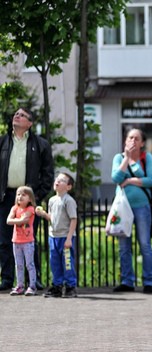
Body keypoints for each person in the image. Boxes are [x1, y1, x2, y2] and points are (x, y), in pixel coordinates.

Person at [0, 107, 54, 291]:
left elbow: (48, 174)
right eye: (15, 113)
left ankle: (34, 280)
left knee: (30, 239)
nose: (17, 115)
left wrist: (36, 197)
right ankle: (7, 279)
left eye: (22, 115)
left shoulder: (40, 145)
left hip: (29, 200)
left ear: (29, 123)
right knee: (5, 240)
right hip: (6, 197)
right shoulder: (3, 142)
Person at [110, 128, 152, 293]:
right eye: (130, 138)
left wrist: (129, 180)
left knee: (145, 244)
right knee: (124, 247)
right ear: (125, 141)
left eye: (137, 139)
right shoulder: (118, 157)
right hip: (123, 208)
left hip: (142, 206)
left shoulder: (146, 157)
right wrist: (126, 159)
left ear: (142, 143)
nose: (133, 141)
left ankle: (149, 281)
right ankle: (127, 281)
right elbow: (116, 178)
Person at [35, 172, 78, 298]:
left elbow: (73, 219)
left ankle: (70, 286)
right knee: (55, 262)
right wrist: (43, 214)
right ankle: (57, 286)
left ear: (68, 187)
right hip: (53, 237)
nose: (57, 181)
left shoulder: (69, 201)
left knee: (67, 263)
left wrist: (69, 238)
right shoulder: (52, 200)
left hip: (65, 237)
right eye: (56, 179)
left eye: (62, 180)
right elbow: (52, 218)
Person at [6, 185, 37, 295]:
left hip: (27, 241)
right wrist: (18, 220)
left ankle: (32, 286)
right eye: (18, 194)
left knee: (29, 264)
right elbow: (8, 220)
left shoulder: (30, 209)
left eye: (24, 195)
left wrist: (16, 220)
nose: (20, 197)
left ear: (30, 198)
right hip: (16, 241)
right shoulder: (14, 208)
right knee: (18, 265)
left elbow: (24, 220)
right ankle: (20, 285)